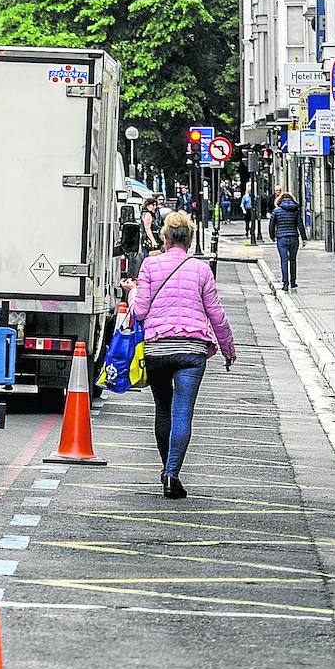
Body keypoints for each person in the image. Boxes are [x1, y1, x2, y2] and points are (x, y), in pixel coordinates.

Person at [119, 212, 236, 499]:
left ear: (164, 237)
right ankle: (172, 474)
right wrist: (227, 349)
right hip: (192, 350)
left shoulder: (150, 265)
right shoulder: (201, 270)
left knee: (163, 409)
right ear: (190, 239)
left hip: (158, 347)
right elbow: (216, 315)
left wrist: (132, 293)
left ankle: (166, 470)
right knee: (182, 413)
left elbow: (141, 311)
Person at [270, 192, 304, 291]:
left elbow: (271, 225)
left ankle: (285, 283)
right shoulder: (295, 210)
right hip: (294, 237)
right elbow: (300, 225)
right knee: (293, 260)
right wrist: (304, 238)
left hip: (281, 238)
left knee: (284, 261)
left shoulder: (276, 211)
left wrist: (272, 236)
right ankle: (293, 282)